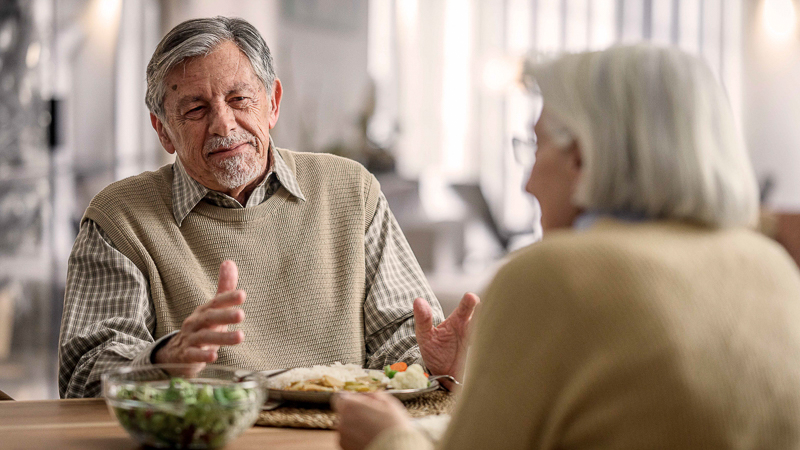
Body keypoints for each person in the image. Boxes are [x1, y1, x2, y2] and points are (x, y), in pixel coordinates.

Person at [334, 45, 800, 449]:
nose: (528, 181)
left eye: (534, 148)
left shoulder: (555, 274)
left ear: (581, 156)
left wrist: (389, 441)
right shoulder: (772, 267)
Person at [58, 16, 479, 399]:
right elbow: (83, 378)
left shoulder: (351, 191)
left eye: (240, 99)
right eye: (195, 109)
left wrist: (431, 368)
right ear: (163, 130)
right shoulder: (121, 217)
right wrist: (164, 358)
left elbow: (400, 339)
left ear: (273, 102)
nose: (223, 124)